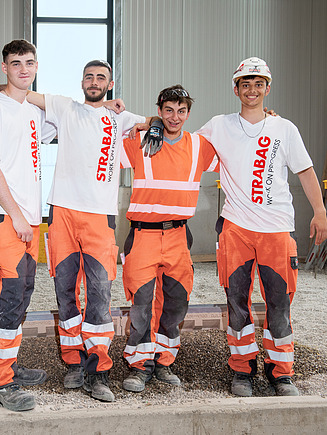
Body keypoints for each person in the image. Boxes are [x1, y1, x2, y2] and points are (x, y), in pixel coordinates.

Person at [195, 57, 327, 397]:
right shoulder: (219, 126)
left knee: (279, 304)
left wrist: (320, 211)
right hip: (236, 229)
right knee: (237, 301)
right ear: (235, 89)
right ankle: (242, 370)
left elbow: (306, 171)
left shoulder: (285, 129)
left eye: (258, 83)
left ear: (268, 88)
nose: (251, 90)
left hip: (277, 231)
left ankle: (281, 373)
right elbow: (185, 147)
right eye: (245, 84)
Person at [26, 60, 152, 402]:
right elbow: (24, 93)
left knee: (99, 295)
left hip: (100, 218)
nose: (94, 82)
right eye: (89, 76)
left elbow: (156, 123)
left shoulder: (120, 118)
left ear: (110, 85)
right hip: (62, 213)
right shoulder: (65, 108)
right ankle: (73, 362)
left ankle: (99, 370)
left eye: (101, 78)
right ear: (81, 81)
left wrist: (266, 116)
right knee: (65, 291)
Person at [120, 85, 219, 392]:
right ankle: (140, 365)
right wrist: (146, 123)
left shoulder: (201, 145)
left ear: (189, 113)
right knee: (142, 304)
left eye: (181, 111)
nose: (175, 117)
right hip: (143, 235)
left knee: (175, 302)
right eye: (168, 111)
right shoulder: (140, 140)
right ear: (159, 110)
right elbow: (103, 143)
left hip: (178, 236)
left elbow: (241, 150)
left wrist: (269, 118)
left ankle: (163, 361)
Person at [0, 39, 56, 412]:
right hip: (8, 220)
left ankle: (9, 366)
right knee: (7, 301)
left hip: (30, 224)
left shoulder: (36, 113)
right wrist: (17, 215)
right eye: (16, 62)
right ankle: (3, 383)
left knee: (20, 301)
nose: (23, 68)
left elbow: (79, 121)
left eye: (29, 62)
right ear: (4, 67)